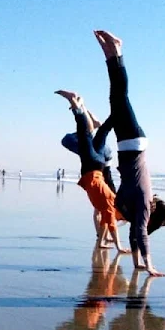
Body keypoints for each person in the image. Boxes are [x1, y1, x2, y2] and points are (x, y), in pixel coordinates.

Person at [91, 29, 165, 276]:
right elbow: (140, 234)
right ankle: (116, 51)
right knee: (119, 97)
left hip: (129, 144)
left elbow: (134, 234)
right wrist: (149, 266)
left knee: (116, 97)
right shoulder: (144, 203)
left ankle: (111, 54)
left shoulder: (139, 204)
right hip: (133, 142)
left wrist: (137, 262)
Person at [55, 89, 123, 252]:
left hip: (100, 162)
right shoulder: (110, 205)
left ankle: (115, 110)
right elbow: (111, 223)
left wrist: (102, 242)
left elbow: (107, 222)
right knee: (86, 134)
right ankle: (75, 104)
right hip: (93, 165)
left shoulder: (111, 202)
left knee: (102, 131)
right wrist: (120, 247)